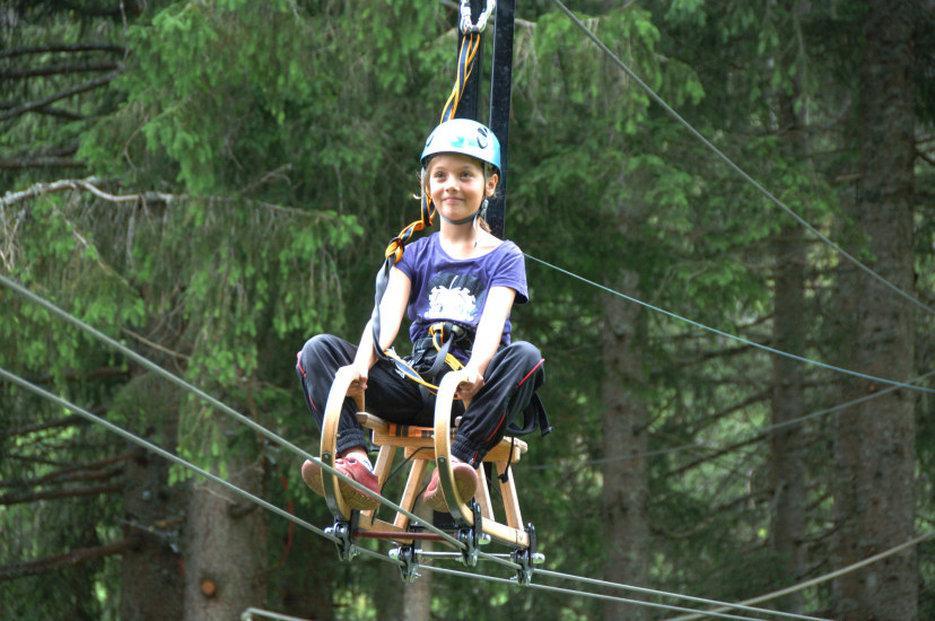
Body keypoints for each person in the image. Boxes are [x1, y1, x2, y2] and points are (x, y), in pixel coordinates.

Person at [295, 118, 545, 512]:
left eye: (465, 175)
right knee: (318, 350)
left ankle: (457, 463)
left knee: (526, 357)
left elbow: (493, 325)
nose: (451, 186)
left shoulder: (504, 255)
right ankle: (355, 462)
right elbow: (385, 320)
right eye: (440, 175)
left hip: (469, 397)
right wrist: (361, 366)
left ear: (489, 185)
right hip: (417, 384)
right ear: (426, 186)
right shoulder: (413, 254)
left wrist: (475, 371)